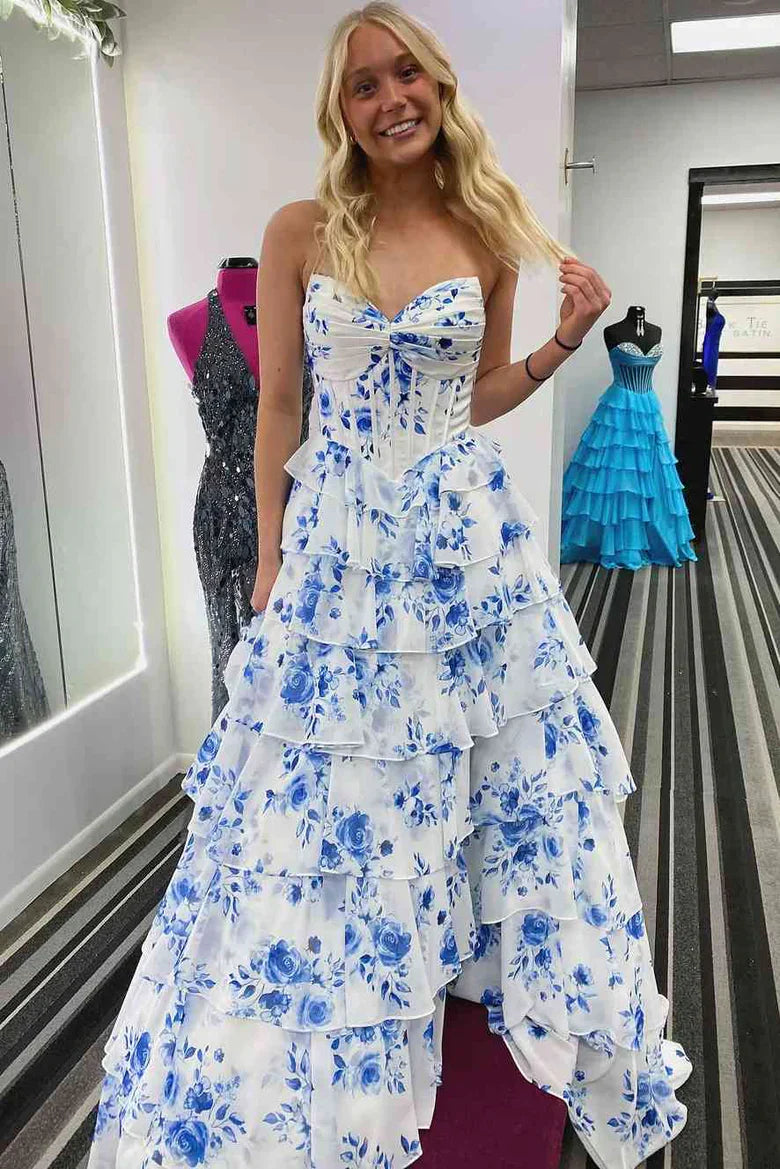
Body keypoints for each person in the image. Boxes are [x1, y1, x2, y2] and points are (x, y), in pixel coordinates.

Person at [87, 5, 691, 1169]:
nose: (388, 99)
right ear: (343, 113)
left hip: (463, 538)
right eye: (362, 85)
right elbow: (278, 405)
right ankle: (339, 985)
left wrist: (565, 340)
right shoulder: (302, 229)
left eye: (404, 74)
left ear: (439, 87)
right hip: (341, 541)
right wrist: (270, 555)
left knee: (488, 760)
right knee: (335, 781)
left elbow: (479, 394)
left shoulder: (484, 228)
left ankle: (456, 952)